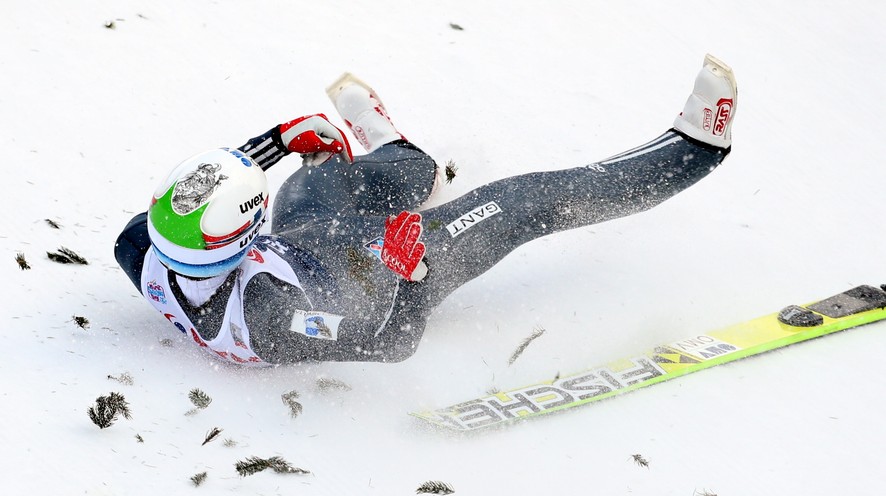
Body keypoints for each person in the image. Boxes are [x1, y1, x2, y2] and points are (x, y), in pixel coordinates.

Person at [115, 55, 738, 366]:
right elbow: (387, 345)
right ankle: (694, 150)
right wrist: (408, 275)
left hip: (302, 241)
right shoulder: (276, 317)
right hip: (380, 272)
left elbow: (201, 189)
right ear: (240, 238)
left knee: (331, 169)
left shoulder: (141, 245)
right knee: (526, 199)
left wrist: (275, 143)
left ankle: (398, 152)